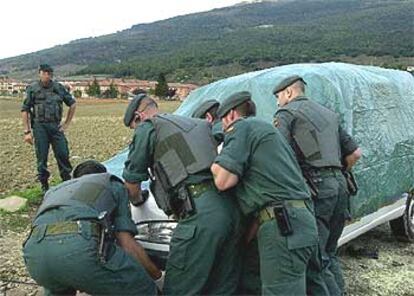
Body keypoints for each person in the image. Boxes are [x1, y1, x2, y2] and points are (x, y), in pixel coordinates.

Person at [122, 95, 242, 295]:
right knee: (222, 287)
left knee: (179, 286)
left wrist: (137, 200)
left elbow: (132, 184)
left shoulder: (148, 127)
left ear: (138, 117)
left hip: (198, 214)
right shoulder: (199, 124)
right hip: (230, 210)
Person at [211, 91, 319, 295]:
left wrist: (214, 165)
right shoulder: (267, 132)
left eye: (224, 126)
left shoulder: (242, 127)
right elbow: (265, 201)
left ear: (231, 115)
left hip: (284, 225)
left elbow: (223, 180)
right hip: (294, 220)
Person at [273, 75, 362, 295]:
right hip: (340, 185)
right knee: (329, 253)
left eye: (278, 96)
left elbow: (279, 154)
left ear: (289, 92)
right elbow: (355, 154)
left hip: (315, 189)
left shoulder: (286, 114)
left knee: (315, 258)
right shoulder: (329, 114)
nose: (277, 102)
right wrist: (336, 173)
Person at [22, 160, 162, 295]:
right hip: (79, 249)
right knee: (142, 288)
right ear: (103, 174)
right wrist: (155, 274)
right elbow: (127, 243)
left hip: (34, 255)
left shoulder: (54, 191)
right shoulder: (111, 183)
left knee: (59, 285)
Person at [21, 64, 76, 192]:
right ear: (39, 73)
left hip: (56, 127)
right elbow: (25, 110)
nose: (46, 75)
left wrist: (66, 123)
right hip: (40, 128)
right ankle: (44, 186)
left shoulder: (58, 88)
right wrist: (27, 132)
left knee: (63, 154)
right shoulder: (32, 89)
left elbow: (72, 104)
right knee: (42, 158)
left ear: (51, 75)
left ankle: (68, 184)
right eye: (44, 73)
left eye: (49, 73)